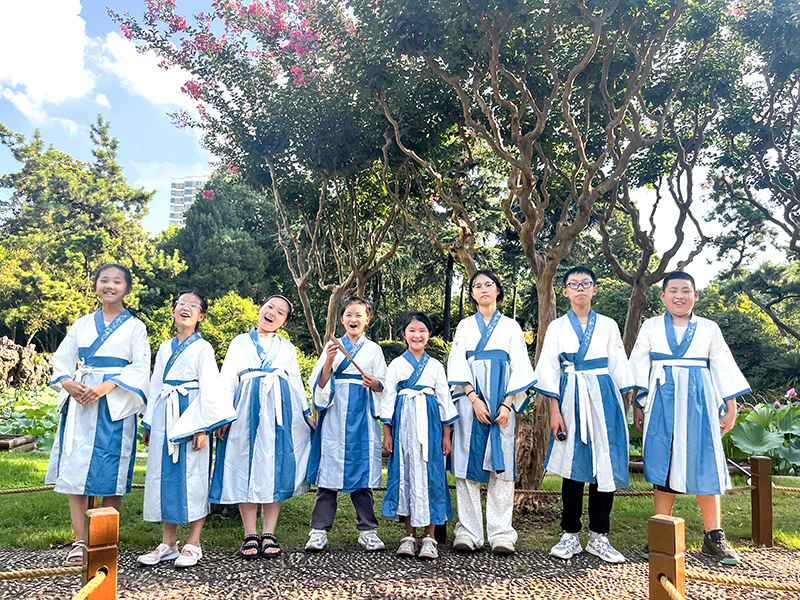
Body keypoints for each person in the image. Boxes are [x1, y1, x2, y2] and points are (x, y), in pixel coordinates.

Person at [631, 271, 750, 565]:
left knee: (706, 459)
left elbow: (722, 366)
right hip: (661, 401)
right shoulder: (651, 326)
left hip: (700, 402)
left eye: (686, 290)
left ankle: (714, 536)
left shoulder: (709, 328)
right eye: (673, 290)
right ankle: (661, 534)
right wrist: (638, 405)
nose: (679, 296)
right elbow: (639, 365)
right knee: (663, 460)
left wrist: (731, 407)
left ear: (695, 295)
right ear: (663, 296)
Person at [46, 263, 150, 565]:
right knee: (76, 467)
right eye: (104, 280)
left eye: (117, 281)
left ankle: (103, 539)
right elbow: (62, 359)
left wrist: (106, 386)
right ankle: (80, 540)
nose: (110, 286)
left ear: (127, 288)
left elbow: (140, 367)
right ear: (95, 286)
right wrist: (68, 383)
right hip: (81, 400)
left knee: (111, 469)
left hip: (115, 402)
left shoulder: (136, 326)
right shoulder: (82, 324)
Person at [534, 267, 633, 563]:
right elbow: (548, 369)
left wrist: (621, 409)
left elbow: (618, 366)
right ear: (564, 291)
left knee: (605, 466)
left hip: (603, 397)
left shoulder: (608, 325)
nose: (580, 288)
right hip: (570, 396)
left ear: (594, 289)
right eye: (574, 284)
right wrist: (555, 411)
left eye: (585, 283)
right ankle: (570, 535)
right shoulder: (557, 327)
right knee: (572, 466)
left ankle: (599, 536)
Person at [209, 295, 313, 559]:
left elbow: (296, 383)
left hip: (278, 411)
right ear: (260, 309)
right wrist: (223, 416)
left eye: (280, 312)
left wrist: (305, 414)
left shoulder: (287, 348)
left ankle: (269, 533)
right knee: (244, 464)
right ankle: (249, 534)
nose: (272, 313)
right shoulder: (239, 342)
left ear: (284, 322)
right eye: (270, 307)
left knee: (272, 468)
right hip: (244, 409)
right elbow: (227, 379)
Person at [138, 291, 236, 568]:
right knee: (164, 476)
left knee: (194, 477)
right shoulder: (164, 348)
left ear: (200, 316)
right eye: (181, 303)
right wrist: (150, 422)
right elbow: (156, 384)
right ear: (174, 310)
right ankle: (168, 543)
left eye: (193, 306)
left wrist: (201, 427)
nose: (186, 308)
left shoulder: (203, 348)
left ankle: (193, 543)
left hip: (192, 414)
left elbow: (209, 387)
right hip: (165, 414)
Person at [447, 270, 537, 554]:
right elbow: (457, 363)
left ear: (498, 289)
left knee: (503, 467)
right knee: (467, 465)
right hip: (470, 402)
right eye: (477, 286)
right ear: (472, 293)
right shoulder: (464, 326)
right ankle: (468, 532)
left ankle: (502, 534)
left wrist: (507, 404)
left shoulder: (511, 327)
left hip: (502, 403)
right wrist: (473, 399)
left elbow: (520, 366)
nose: (483, 289)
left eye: (489, 284)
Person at [305, 296, 388, 552]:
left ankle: (368, 530)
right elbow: (318, 383)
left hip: (363, 414)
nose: (354, 319)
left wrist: (375, 384)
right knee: (329, 473)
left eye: (359, 315)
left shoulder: (374, 350)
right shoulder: (333, 346)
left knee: (362, 474)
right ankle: (319, 531)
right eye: (349, 315)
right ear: (342, 319)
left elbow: (384, 385)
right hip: (336, 412)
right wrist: (329, 361)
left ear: (367, 320)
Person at [381, 313, 459, 560]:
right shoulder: (396, 364)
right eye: (412, 330)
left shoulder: (435, 366)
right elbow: (388, 398)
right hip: (403, 427)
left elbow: (444, 399)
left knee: (432, 476)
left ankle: (430, 538)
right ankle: (408, 536)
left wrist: (446, 435)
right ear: (403, 334)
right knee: (405, 475)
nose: (417, 335)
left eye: (422, 330)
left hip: (431, 427)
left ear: (429, 335)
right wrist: (387, 433)